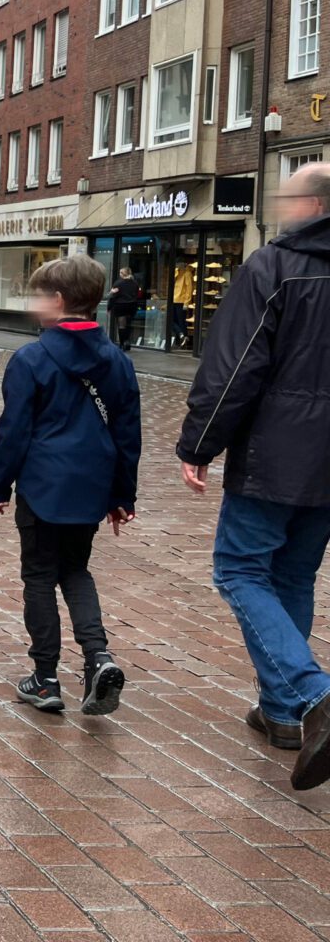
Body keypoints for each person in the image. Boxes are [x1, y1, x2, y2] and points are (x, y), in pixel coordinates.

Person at [177, 162, 330, 789]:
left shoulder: (273, 267)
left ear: (312, 204)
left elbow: (233, 367)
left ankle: (314, 692)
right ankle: (283, 713)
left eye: (289, 198)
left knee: (239, 569)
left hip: (277, 455)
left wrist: (199, 444)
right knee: (291, 572)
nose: (280, 208)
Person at [0, 255, 141, 717]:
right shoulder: (117, 361)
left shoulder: (30, 358)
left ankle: (45, 678)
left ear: (57, 300)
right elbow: (128, 434)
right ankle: (98, 659)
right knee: (76, 570)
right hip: (92, 486)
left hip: (43, 485)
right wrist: (122, 495)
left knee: (38, 575)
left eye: (37, 296)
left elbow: (13, 430)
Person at [107, 267, 140, 351]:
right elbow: (136, 295)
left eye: (120, 273)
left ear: (122, 274)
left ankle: (122, 343)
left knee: (122, 325)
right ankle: (127, 342)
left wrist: (109, 307)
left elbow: (113, 297)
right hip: (132, 305)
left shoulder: (118, 283)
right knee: (128, 324)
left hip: (120, 305)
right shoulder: (135, 283)